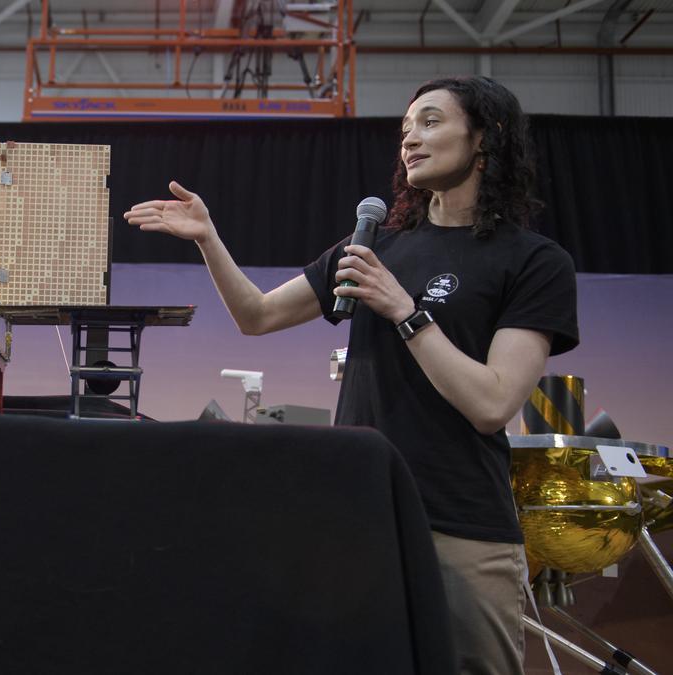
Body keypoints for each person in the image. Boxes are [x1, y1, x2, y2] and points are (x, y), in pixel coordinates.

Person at [125, 75, 578, 674]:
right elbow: (256, 316)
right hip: (359, 517)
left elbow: (492, 405)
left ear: (485, 137)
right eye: (405, 129)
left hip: (460, 526)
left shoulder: (534, 261)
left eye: (431, 122)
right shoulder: (374, 247)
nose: (410, 139)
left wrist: (404, 312)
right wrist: (208, 238)